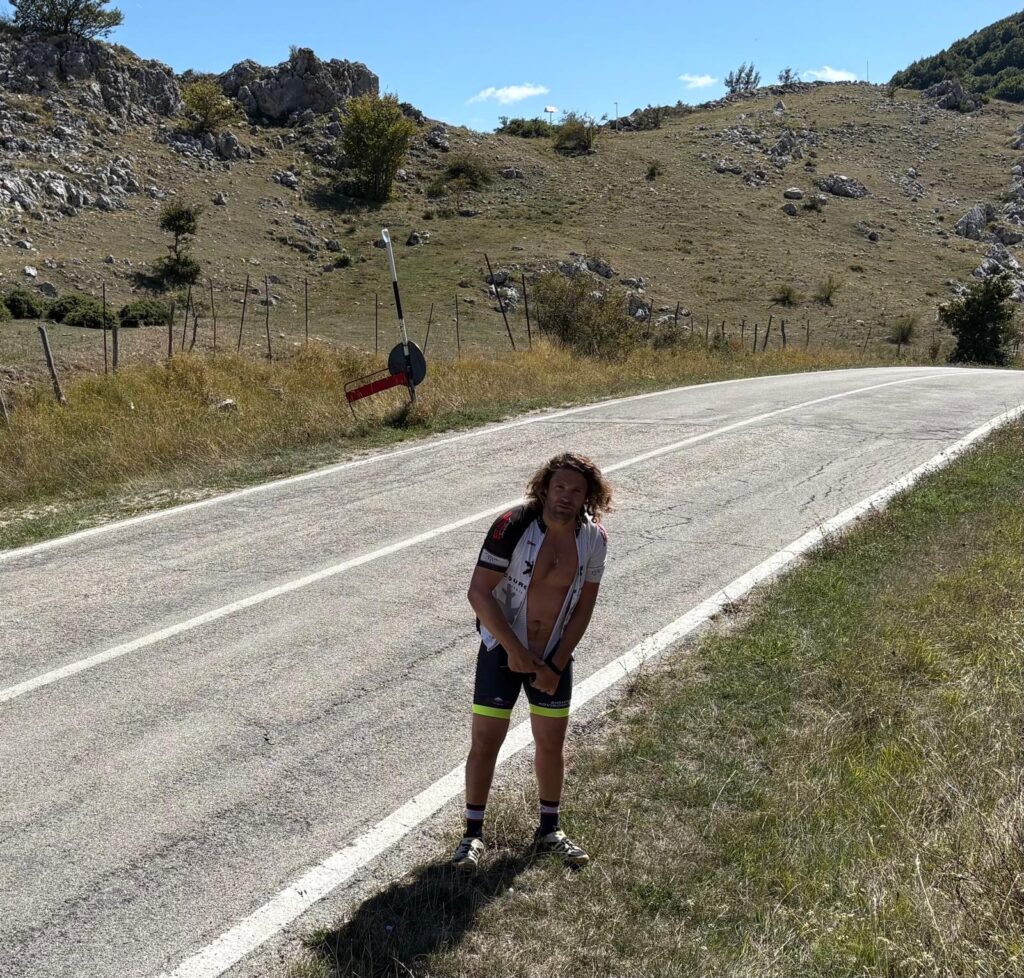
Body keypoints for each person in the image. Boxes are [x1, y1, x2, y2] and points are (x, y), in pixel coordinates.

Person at [452, 452, 612, 872]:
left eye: (576, 490)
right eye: (559, 487)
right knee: (486, 742)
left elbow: (584, 608)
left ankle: (550, 830)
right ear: (545, 487)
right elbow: (478, 593)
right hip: (502, 650)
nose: (565, 496)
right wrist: (516, 651)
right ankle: (472, 835)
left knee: (551, 744)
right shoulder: (512, 525)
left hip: (553, 656)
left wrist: (554, 664)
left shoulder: (594, 539)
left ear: (587, 497)